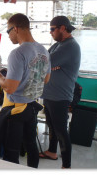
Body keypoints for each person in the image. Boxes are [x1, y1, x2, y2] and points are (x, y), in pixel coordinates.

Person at [0, 13, 51, 168]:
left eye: (8, 31)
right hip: (32, 107)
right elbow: (45, 80)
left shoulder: (17, 53)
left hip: (16, 110)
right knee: (31, 147)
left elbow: (9, 87)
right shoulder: (44, 50)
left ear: (15, 29)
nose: (8, 36)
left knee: (11, 151)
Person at [39, 16, 81, 169]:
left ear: (62, 28)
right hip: (50, 95)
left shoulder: (70, 46)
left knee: (61, 130)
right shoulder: (59, 44)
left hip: (60, 97)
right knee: (52, 126)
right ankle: (52, 151)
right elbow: (45, 58)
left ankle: (66, 166)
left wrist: (50, 65)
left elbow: (44, 63)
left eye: (52, 29)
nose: (50, 32)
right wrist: (50, 65)